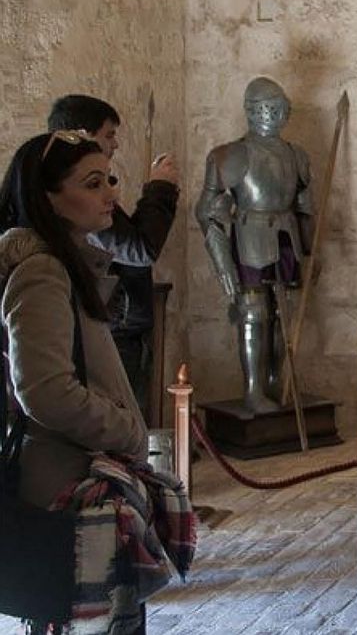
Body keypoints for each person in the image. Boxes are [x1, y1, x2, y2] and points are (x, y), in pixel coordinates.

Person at [1, 131, 148, 630]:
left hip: (82, 480)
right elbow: (43, 389)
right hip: (67, 486)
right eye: (91, 182)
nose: (109, 192)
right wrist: (127, 431)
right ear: (47, 196)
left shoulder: (63, 263)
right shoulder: (43, 271)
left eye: (109, 178)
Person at [46, 95, 180, 419]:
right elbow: (139, 250)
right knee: (122, 422)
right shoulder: (72, 199)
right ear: (82, 134)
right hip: (113, 323)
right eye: (109, 135)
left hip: (118, 319)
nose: (116, 143)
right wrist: (159, 190)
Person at [195, 78, 313, 413]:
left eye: (281, 106)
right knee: (253, 313)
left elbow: (305, 208)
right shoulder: (231, 155)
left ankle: (280, 383)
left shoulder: (297, 155)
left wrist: (308, 251)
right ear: (251, 110)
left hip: (286, 236)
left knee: (284, 313)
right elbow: (208, 212)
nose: (277, 114)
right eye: (269, 107)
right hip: (250, 236)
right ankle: (253, 390)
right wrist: (222, 265)